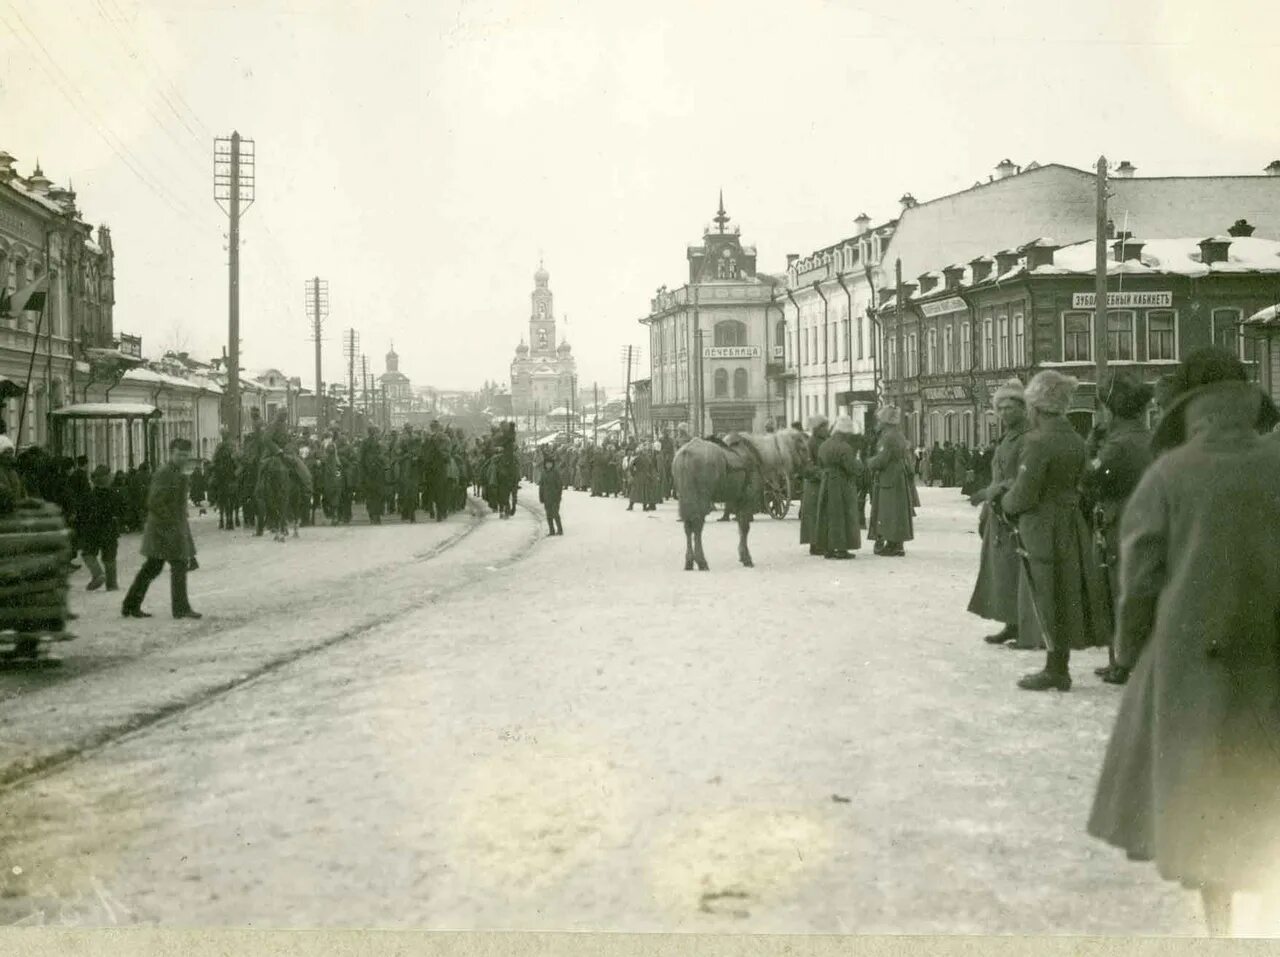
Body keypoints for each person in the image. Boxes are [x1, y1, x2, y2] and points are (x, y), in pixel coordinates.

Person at [1087, 363, 1280, 938]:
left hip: (1193, 663)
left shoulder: (1170, 474)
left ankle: (1220, 927)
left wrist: (1128, 652)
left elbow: (1139, 580)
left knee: (1207, 795)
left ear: (1188, 408)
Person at [994, 370, 1108, 691]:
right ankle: (1059, 665)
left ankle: (1054, 668)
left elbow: (1025, 492)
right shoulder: (1075, 439)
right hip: (1070, 523)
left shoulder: (1037, 442)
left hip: (1041, 525)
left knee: (1045, 592)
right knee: (1065, 591)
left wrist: (1004, 503)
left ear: (1037, 406)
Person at [1080, 370, 1155, 683]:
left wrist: (1091, 447)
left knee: (1116, 590)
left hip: (1117, 521)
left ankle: (1121, 661)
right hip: (1145, 518)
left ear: (1113, 410)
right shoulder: (1150, 437)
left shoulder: (1117, 445)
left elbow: (1089, 477)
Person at [967, 378, 1030, 646]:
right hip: (999, 512)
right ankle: (1012, 622)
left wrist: (989, 493)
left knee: (1017, 570)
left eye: (1010, 408)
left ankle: (1024, 625)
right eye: (1000, 408)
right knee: (1004, 570)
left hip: (1014, 511)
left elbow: (1019, 477)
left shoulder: (1027, 437)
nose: (1003, 413)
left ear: (1023, 408)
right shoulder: (1008, 437)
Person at [121, 437, 201, 620]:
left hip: (170, 529)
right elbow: (154, 502)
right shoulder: (165, 473)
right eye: (179, 454)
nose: (183, 458)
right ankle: (180, 609)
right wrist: (171, 523)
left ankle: (130, 605)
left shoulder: (178, 472)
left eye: (186, 455)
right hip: (162, 531)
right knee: (173, 566)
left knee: (154, 567)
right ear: (171, 454)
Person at [812, 416, 864, 560]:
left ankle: (828, 548)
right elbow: (851, 467)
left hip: (826, 482)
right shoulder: (845, 447)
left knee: (827, 515)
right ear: (845, 432)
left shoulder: (824, 445)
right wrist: (860, 465)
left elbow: (820, 463)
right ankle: (841, 549)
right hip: (842, 484)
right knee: (842, 515)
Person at [867, 407, 914, 557]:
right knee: (898, 511)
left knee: (888, 511)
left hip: (888, 478)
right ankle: (897, 544)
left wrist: (869, 463)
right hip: (898, 477)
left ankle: (892, 543)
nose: (878, 423)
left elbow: (882, 459)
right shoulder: (899, 435)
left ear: (885, 421)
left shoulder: (887, 438)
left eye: (880, 420)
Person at [79, 464, 122, 592]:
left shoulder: (89, 496)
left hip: (93, 529)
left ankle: (97, 573)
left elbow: (83, 513)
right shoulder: (115, 494)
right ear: (108, 478)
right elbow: (121, 509)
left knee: (88, 553)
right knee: (110, 556)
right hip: (110, 529)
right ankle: (112, 584)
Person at [798, 415, 829, 555]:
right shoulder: (810, 443)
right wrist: (819, 473)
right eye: (824, 427)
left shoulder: (824, 440)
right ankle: (814, 544)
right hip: (814, 484)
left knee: (822, 514)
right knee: (813, 514)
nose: (826, 429)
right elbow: (807, 465)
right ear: (817, 428)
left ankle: (821, 542)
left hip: (823, 482)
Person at [538, 449, 563, 535]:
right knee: (548, 515)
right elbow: (541, 486)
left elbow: (559, 485)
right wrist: (541, 496)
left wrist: (558, 496)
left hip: (554, 497)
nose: (548, 465)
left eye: (550, 463)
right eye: (547, 463)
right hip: (546, 497)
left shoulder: (555, 472)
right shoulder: (543, 473)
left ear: (552, 464)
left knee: (555, 514)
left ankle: (560, 530)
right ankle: (551, 530)